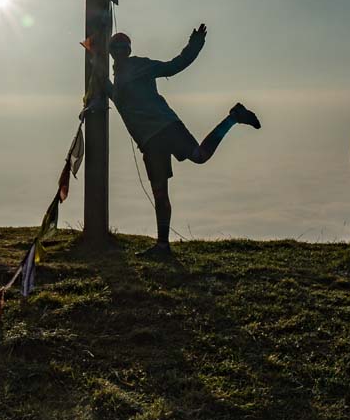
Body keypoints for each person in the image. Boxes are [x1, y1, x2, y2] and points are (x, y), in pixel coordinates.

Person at [100, 24, 260, 256]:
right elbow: (116, 97)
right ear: (112, 51)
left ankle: (233, 118)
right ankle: (162, 246)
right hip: (149, 140)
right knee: (160, 193)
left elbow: (174, 66)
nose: (121, 51)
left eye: (124, 47)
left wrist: (194, 45)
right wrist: (95, 66)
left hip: (166, 126)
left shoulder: (140, 65)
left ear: (128, 49)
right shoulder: (117, 78)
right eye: (117, 47)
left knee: (198, 157)